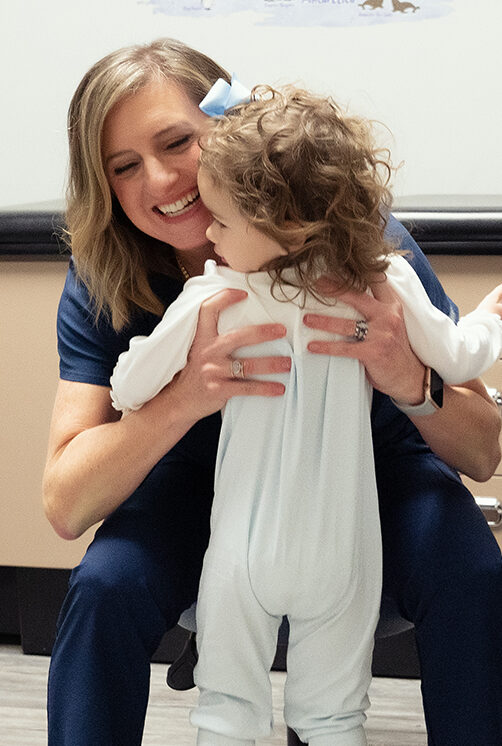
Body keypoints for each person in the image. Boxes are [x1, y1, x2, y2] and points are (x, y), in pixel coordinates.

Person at [41, 38, 502, 746]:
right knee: (106, 588)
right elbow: (67, 503)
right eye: (124, 167)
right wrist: (184, 397)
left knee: (470, 573)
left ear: (227, 129)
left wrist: (411, 381)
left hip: (373, 475)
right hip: (204, 487)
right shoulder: (105, 275)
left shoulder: (357, 240)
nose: (161, 179)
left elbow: (482, 450)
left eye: (175, 142)